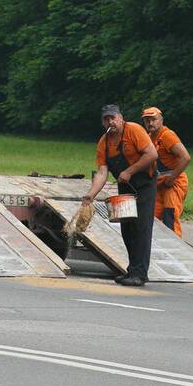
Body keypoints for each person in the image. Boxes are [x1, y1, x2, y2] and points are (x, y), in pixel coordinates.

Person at [82, 104, 158, 286]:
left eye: (113, 118)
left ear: (121, 118)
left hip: (145, 184)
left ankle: (140, 274)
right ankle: (132, 270)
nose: (110, 122)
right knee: (127, 229)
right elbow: (102, 172)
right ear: (103, 122)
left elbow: (152, 154)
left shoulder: (134, 130)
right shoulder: (104, 143)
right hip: (125, 186)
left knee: (141, 228)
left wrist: (130, 171)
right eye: (106, 119)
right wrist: (90, 195)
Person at [141, 106, 191, 237]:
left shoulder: (167, 135)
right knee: (152, 218)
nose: (150, 123)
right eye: (147, 120)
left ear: (161, 120)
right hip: (158, 184)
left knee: (170, 216)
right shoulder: (148, 137)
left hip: (174, 183)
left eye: (153, 119)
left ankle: (176, 250)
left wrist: (171, 180)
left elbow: (185, 158)